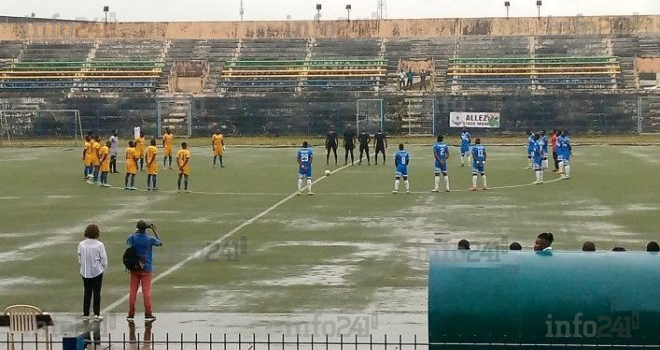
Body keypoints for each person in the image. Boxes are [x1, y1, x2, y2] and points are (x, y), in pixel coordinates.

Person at [126, 220, 162, 322]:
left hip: (134, 268)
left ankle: (131, 314)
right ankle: (148, 314)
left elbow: (127, 239)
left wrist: (136, 231)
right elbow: (160, 243)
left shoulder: (133, 238)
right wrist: (154, 231)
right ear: (146, 229)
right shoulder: (149, 239)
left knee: (133, 291)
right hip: (146, 268)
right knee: (146, 291)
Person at [77, 224, 108, 322]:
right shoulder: (99, 245)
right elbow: (104, 259)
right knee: (96, 293)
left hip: (85, 271)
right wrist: (102, 268)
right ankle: (96, 314)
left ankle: (86, 314)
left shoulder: (81, 244)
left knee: (87, 292)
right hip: (97, 272)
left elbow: (79, 257)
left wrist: (83, 265)